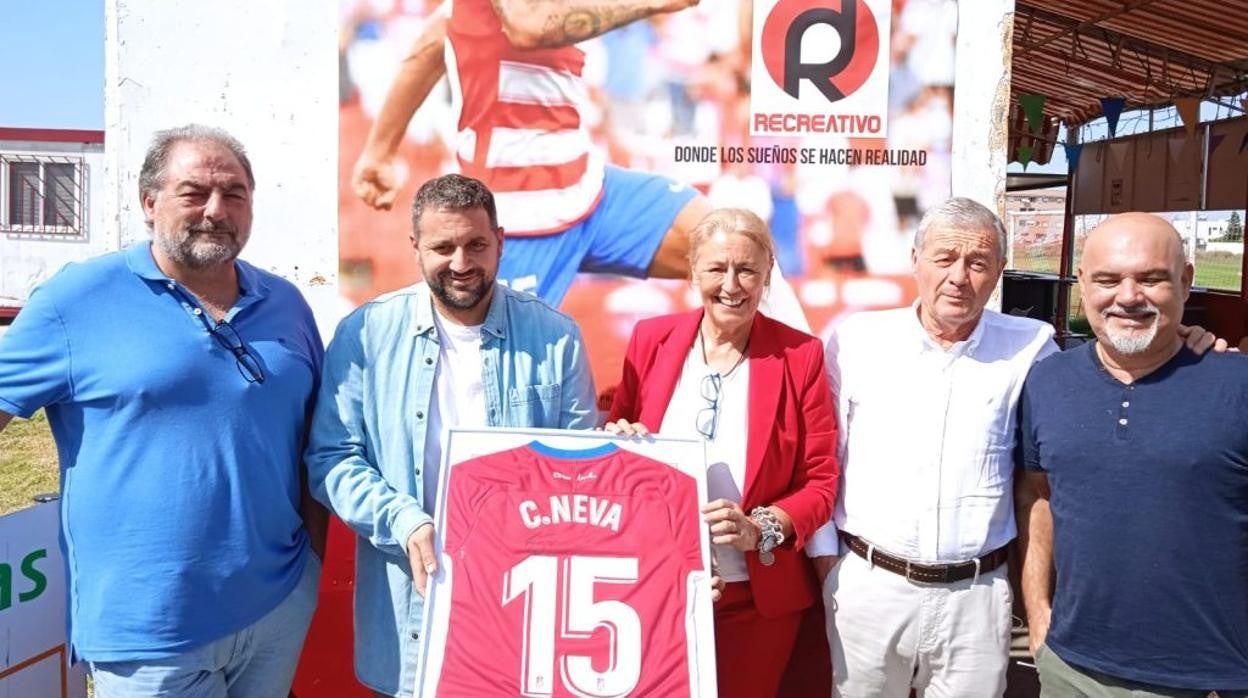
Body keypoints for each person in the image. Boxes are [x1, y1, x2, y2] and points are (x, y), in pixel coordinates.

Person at [0, 125, 325, 697]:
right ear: (149, 202)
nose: (216, 211)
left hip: (277, 605)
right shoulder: (75, 301)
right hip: (149, 632)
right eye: (194, 192)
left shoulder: (286, 303)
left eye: (235, 194)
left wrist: (310, 571)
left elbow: (312, 440)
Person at [305, 173, 598, 697]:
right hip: (408, 605)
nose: (461, 263)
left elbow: (580, 471)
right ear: (416, 247)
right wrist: (404, 521)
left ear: (500, 242)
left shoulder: (557, 338)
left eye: (476, 244)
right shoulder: (365, 335)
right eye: (443, 247)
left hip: (522, 605)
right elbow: (332, 459)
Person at [349, 0, 811, 331]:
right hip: (513, 222)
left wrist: (380, 152)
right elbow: (529, 24)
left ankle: (816, 413)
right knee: (496, 388)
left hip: (592, 193)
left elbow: (430, 44)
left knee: (740, 250)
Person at [603, 207, 840, 698]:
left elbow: (821, 482)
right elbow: (614, 444)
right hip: (654, 586)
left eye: (747, 269)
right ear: (692, 272)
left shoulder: (801, 355)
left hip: (754, 600)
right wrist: (618, 441)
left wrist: (762, 528)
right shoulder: (652, 340)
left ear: (767, 275)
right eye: (716, 268)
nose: (732, 284)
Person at [1016, 213, 1248, 698]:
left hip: (1212, 680)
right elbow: (1038, 496)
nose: (1127, 296)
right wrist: (1039, 617)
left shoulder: (1236, 385)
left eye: (1151, 278)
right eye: (1107, 279)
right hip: (1071, 670)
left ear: (1185, 281)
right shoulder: (1048, 381)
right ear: (1082, 282)